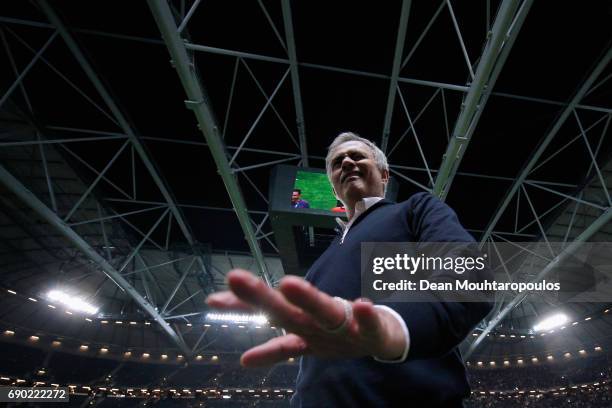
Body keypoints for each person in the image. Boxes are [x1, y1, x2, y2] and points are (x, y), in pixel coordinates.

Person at [207, 132, 493, 407]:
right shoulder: (321, 264)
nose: (346, 163)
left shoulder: (415, 210)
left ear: (384, 174)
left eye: (357, 156)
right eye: (337, 162)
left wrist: (394, 324)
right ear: (333, 186)